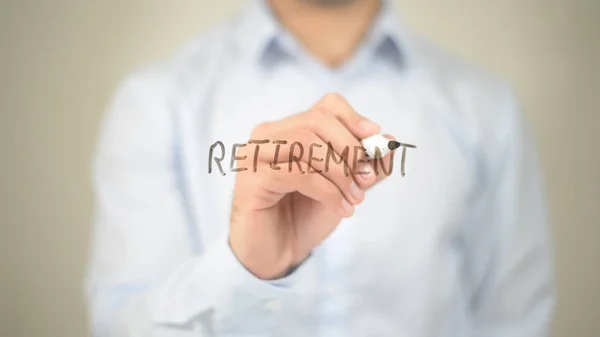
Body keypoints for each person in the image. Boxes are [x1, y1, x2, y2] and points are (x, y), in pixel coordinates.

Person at [84, 0, 556, 335]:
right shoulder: (155, 103)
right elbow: (123, 328)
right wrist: (245, 269)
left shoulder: (486, 109)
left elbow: (514, 319)